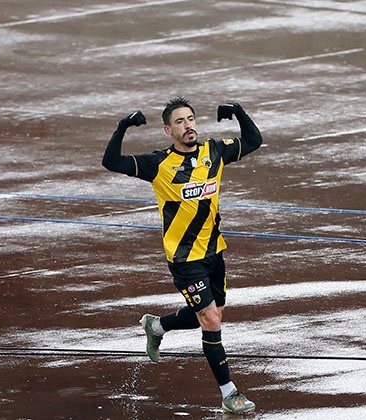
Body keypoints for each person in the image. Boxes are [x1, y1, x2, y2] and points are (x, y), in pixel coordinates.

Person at [102, 97, 262, 415]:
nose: (188, 125)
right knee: (211, 320)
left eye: (190, 119)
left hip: (214, 252)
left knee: (209, 314)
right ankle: (229, 394)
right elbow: (112, 162)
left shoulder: (213, 151)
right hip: (184, 258)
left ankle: (157, 327)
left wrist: (239, 112)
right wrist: (122, 127)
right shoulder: (158, 164)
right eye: (179, 121)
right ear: (168, 130)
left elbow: (253, 141)